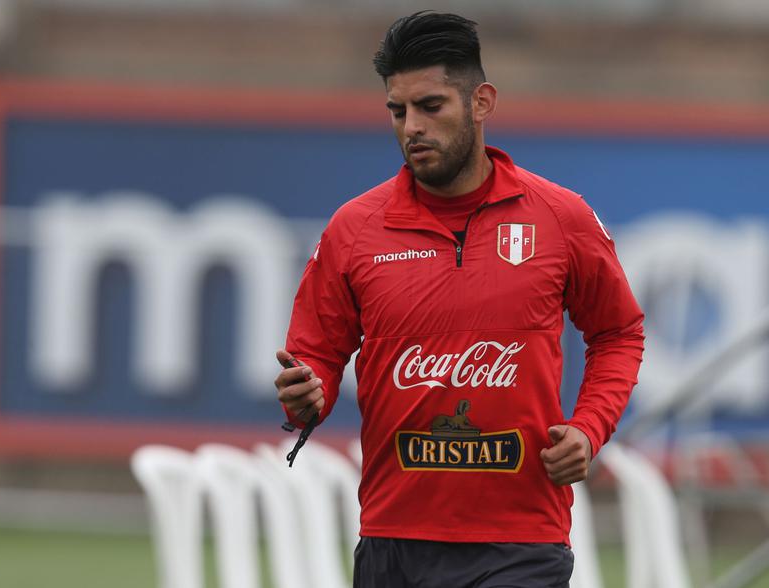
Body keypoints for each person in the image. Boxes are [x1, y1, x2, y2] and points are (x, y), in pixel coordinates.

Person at [274, 11, 644, 588]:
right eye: (398, 111)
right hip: (395, 538)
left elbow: (619, 333)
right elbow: (313, 356)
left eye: (430, 106)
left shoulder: (560, 217)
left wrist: (589, 428)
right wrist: (305, 395)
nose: (411, 127)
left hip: (521, 540)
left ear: (481, 102)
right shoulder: (354, 228)